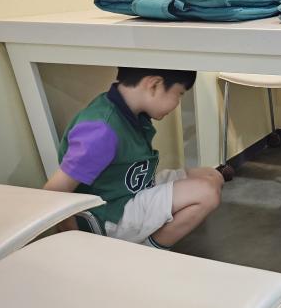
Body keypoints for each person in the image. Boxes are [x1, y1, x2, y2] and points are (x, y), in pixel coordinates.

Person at [43, 67, 223, 250]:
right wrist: (76, 242)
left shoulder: (128, 111)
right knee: (207, 193)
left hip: (131, 191)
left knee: (212, 176)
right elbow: (54, 192)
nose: (177, 103)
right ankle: (147, 251)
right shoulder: (101, 130)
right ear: (154, 85)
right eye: (179, 94)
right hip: (112, 215)